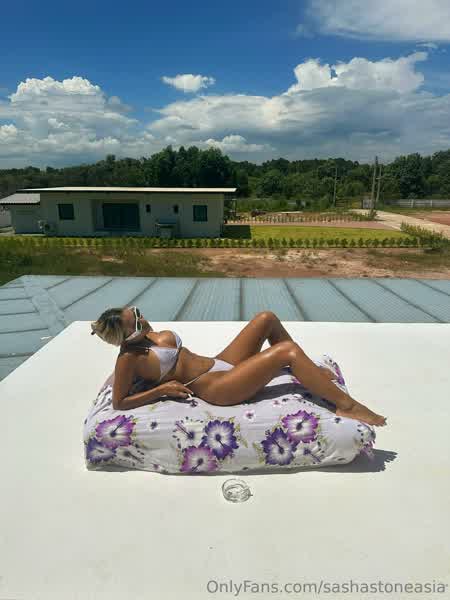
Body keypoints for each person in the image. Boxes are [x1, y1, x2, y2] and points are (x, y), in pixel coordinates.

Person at [90, 307, 386, 426]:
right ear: (126, 337)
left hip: (219, 363)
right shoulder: (128, 359)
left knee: (266, 319)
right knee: (287, 352)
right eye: (136, 323)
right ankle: (347, 406)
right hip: (216, 388)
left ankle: (307, 370)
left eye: (138, 313)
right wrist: (161, 390)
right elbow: (119, 402)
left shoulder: (148, 334)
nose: (143, 320)